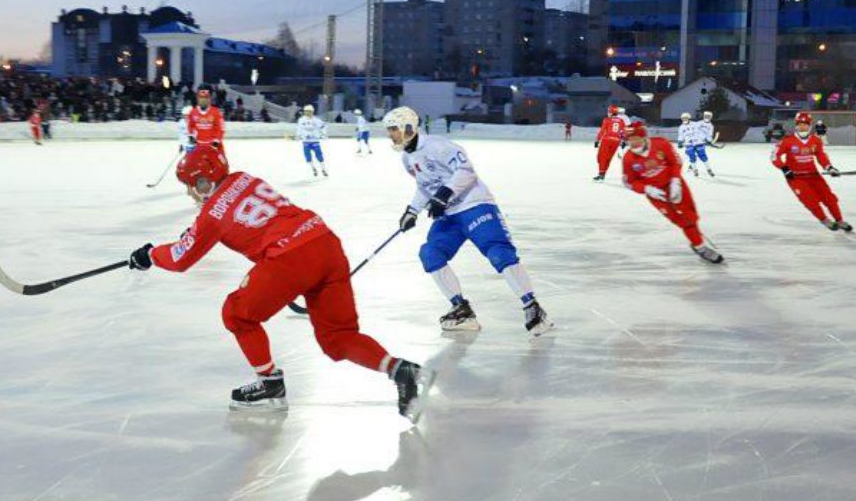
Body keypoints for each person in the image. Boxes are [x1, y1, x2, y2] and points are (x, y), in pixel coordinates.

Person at [127, 144, 434, 419]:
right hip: (325, 243)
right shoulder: (245, 179)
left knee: (235, 314)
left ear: (203, 181)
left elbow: (182, 257)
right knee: (337, 339)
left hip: (290, 258)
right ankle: (400, 370)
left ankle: (270, 386)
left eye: (191, 186)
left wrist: (150, 255)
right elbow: (234, 215)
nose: (189, 193)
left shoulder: (210, 214)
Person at [383, 105, 552, 335]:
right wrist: (412, 211)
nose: (390, 134)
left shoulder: (438, 146)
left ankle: (532, 306)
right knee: (430, 253)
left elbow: (466, 171)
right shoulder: (407, 158)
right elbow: (424, 186)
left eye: (393, 129)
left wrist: (444, 194)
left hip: (475, 205)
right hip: (448, 216)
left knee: (498, 252)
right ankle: (461, 310)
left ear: (408, 127)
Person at [621, 121, 723, 263]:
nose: (633, 143)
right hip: (656, 194)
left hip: (675, 185)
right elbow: (628, 182)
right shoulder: (628, 159)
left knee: (690, 216)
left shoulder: (661, 144)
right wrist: (647, 189)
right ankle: (700, 247)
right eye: (629, 140)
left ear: (643, 137)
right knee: (681, 220)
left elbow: (676, 162)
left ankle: (695, 238)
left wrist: (675, 181)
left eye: (635, 139)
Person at [771, 111, 851, 231]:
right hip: (795, 178)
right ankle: (825, 220)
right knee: (810, 201)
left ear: (810, 125)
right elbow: (774, 157)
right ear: (796, 125)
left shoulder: (815, 140)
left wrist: (829, 167)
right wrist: (784, 168)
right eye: (800, 124)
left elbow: (821, 156)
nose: (802, 126)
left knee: (829, 198)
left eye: (805, 124)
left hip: (814, 175)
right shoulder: (787, 141)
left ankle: (840, 220)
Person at [593, 105, 628, 180]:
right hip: (616, 141)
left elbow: (602, 131)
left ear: (612, 112)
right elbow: (623, 132)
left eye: (609, 112)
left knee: (601, 157)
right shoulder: (621, 121)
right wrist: (624, 141)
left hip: (607, 140)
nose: (608, 113)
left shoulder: (607, 120)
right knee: (608, 158)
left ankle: (601, 174)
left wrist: (597, 140)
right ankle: (603, 173)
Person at [677, 111, 715, 177]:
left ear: (688, 118)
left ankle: (708, 169)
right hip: (688, 143)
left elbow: (702, 131)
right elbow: (681, 135)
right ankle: (695, 169)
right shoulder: (681, 127)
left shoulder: (695, 124)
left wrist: (708, 139)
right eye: (683, 118)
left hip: (698, 142)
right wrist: (680, 142)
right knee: (692, 156)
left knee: (703, 156)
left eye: (686, 118)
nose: (684, 119)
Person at [296, 104, 328, 177]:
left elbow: (324, 126)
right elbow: (299, 129)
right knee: (308, 157)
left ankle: (323, 169)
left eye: (309, 111)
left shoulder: (316, 120)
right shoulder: (301, 120)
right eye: (306, 111)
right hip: (306, 142)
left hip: (315, 141)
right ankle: (313, 169)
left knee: (319, 156)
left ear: (312, 112)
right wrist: (298, 136)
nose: (308, 113)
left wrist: (323, 134)